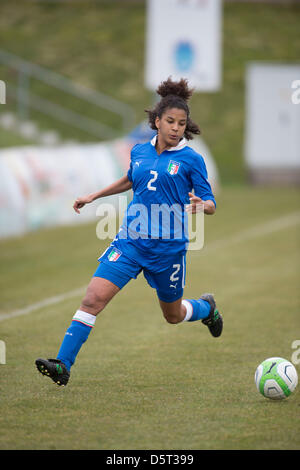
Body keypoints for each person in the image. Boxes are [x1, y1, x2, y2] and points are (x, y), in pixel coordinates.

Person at [35, 77, 223, 386]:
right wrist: (94, 195)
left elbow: (211, 202)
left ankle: (206, 309)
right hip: (130, 242)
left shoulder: (191, 159)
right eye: (171, 121)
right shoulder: (139, 152)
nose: (176, 128)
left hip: (168, 250)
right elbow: (130, 179)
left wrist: (203, 205)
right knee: (92, 299)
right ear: (156, 121)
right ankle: (62, 365)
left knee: (172, 315)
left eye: (181, 123)